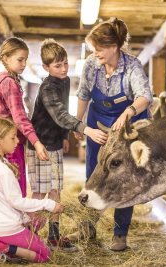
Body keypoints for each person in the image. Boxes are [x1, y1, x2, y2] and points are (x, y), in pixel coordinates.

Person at [74, 17, 153, 251]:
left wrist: (128, 112)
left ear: (114, 47)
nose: (95, 52)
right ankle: (87, 228)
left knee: (122, 177)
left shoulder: (132, 66)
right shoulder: (91, 65)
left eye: (99, 48)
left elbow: (144, 97)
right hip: (98, 123)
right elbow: (83, 94)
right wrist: (78, 123)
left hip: (125, 125)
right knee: (94, 174)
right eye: (93, 48)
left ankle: (120, 234)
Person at [27, 38, 107, 252]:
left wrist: (64, 135)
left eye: (65, 63)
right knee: (38, 193)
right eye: (57, 65)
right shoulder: (47, 89)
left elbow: (63, 111)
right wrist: (85, 129)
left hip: (54, 144)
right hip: (40, 146)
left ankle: (53, 237)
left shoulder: (63, 81)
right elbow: (60, 114)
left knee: (55, 192)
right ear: (46, 67)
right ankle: (29, 236)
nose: (63, 69)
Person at [0, 117, 63, 266]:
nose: (17, 141)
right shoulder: (2, 170)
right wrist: (48, 204)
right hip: (7, 227)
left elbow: (8, 201)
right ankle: (3, 247)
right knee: (45, 254)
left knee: (37, 224)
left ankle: (5, 245)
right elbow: (17, 202)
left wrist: (26, 219)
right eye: (13, 138)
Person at [0, 37, 49, 198]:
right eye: (20, 60)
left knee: (2, 188)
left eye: (25, 60)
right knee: (16, 186)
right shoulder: (9, 83)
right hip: (11, 141)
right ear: (6, 58)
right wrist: (36, 142)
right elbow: (19, 118)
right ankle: (16, 222)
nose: (23, 64)